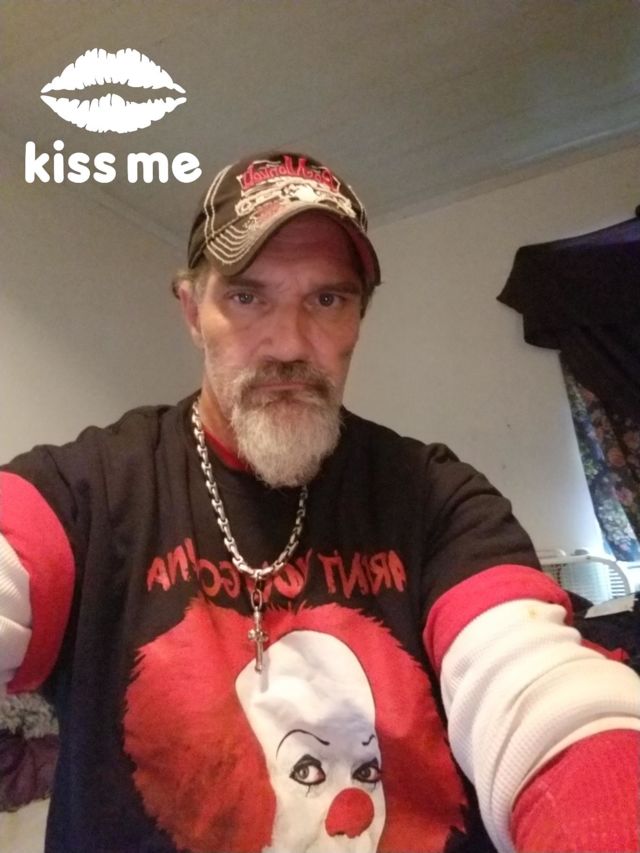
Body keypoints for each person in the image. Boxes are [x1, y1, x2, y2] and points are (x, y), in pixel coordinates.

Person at [0, 150, 638, 853]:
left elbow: (534, 686)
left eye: (327, 300)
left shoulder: (435, 498)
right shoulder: (91, 489)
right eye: (247, 297)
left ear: (359, 318)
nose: (288, 344)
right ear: (191, 311)